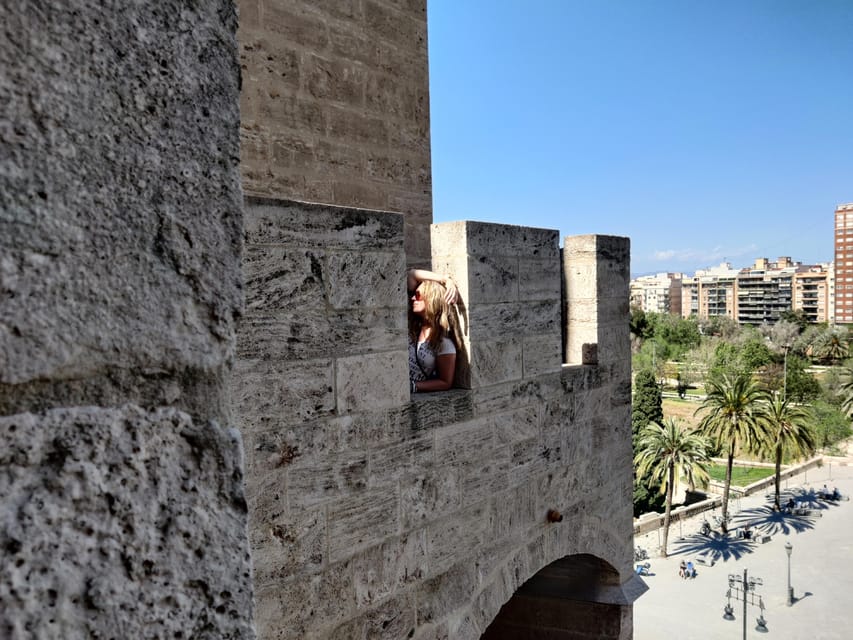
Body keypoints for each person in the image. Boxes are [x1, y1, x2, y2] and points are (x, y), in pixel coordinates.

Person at [407, 269, 459, 393]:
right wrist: (445, 280)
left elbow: (445, 382)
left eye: (418, 295)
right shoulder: (412, 327)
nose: (413, 298)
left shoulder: (443, 343)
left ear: (431, 300)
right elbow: (411, 274)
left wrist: (413, 386)